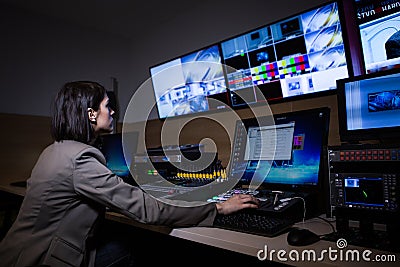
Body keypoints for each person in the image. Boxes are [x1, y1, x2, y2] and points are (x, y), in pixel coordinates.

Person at [0, 81, 259, 267]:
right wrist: (217, 209)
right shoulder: (80, 158)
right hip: (45, 258)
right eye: (106, 105)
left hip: (17, 252)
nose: (112, 111)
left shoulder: (54, 151)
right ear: (90, 114)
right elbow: (148, 212)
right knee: (145, 244)